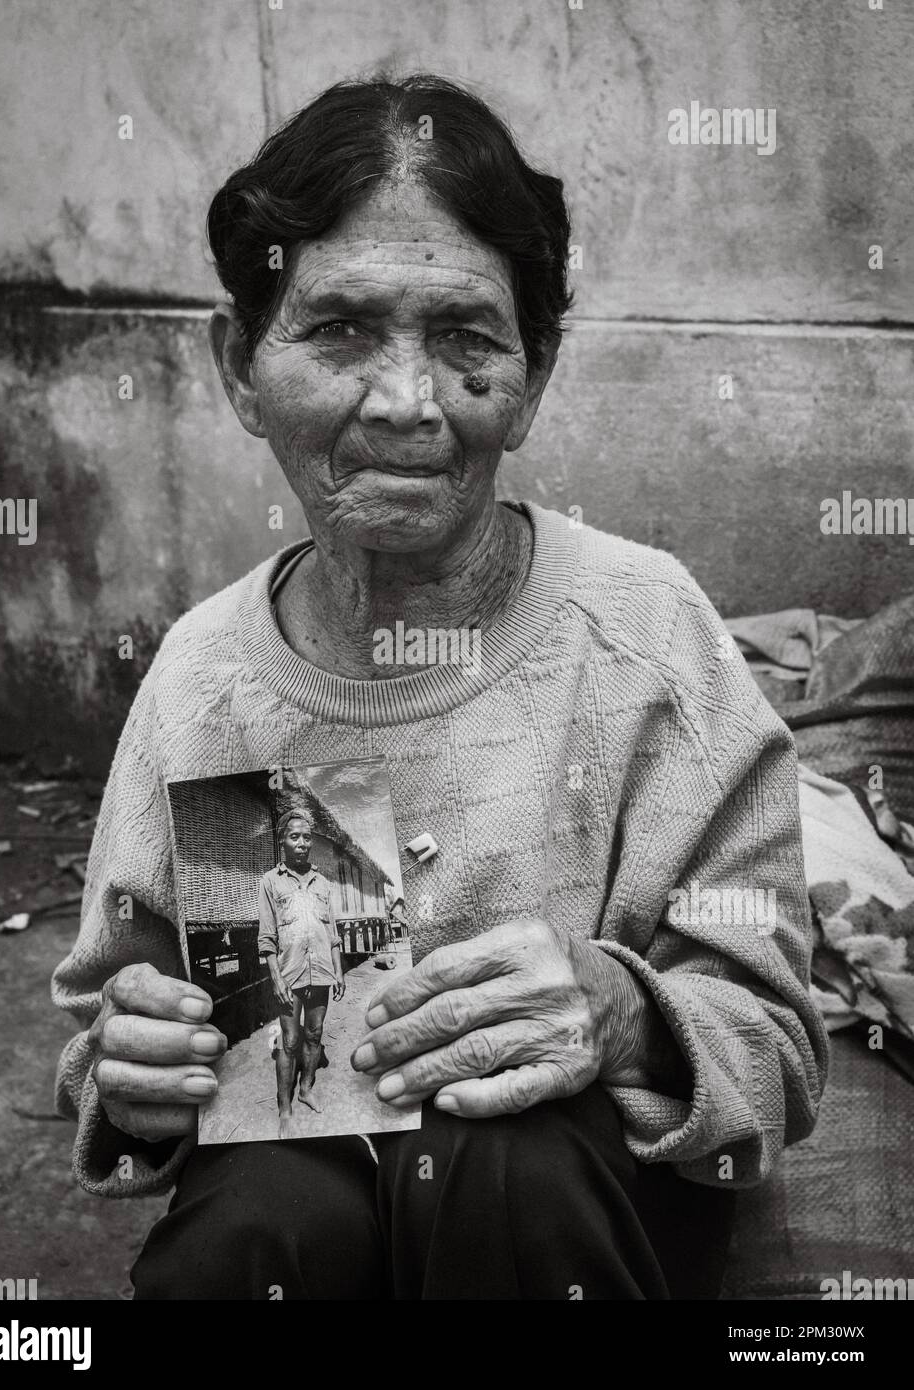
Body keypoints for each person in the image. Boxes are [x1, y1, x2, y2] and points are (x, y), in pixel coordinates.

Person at [50, 73, 828, 1300]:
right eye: (340, 329)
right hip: (304, 1221)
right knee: (257, 1221)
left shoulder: (644, 631)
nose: (406, 402)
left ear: (535, 373)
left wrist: (622, 1011)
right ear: (240, 367)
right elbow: (112, 1035)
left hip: (584, 1220)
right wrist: (133, 1071)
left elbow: (778, 1040)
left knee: (498, 1160)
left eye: (466, 338)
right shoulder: (205, 678)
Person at [258, 808, 346, 1137]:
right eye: (295, 837)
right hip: (290, 973)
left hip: (322, 971)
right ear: (282, 841)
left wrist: (338, 971)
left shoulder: (322, 882)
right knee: (290, 1041)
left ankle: (306, 1088)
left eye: (307, 837)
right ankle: (285, 1108)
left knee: (314, 1035)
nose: (302, 843)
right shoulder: (270, 881)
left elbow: (333, 933)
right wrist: (276, 978)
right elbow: (266, 938)